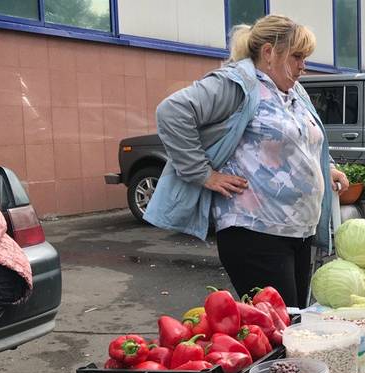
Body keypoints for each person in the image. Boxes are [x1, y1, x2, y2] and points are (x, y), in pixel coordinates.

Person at [144, 16, 349, 308]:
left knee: (292, 321)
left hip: (297, 231)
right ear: (269, 53)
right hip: (255, 234)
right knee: (281, 328)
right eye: (297, 56)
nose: (304, 65)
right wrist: (203, 174)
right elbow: (172, 112)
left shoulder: (292, 90)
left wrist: (326, 167)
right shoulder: (236, 83)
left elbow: (306, 138)